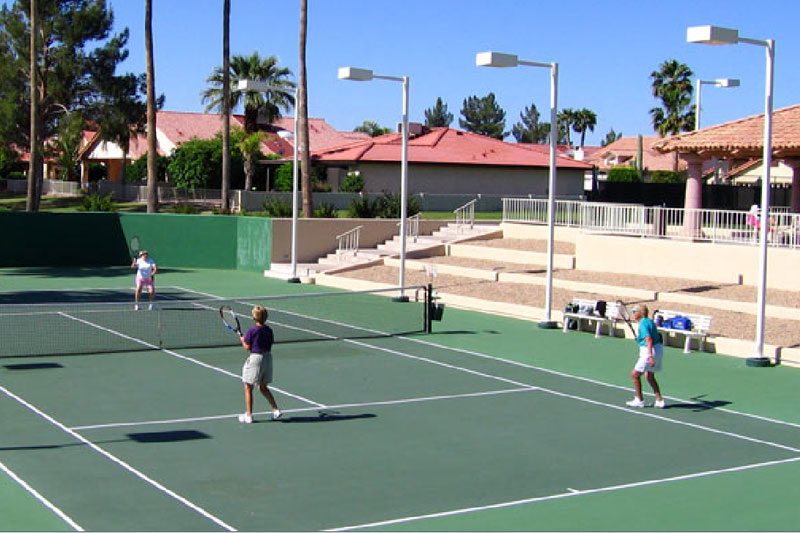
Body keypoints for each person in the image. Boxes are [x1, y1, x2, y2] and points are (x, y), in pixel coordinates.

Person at [238, 306, 282, 424]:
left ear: (253, 317)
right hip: (268, 358)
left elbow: (247, 347)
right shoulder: (269, 330)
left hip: (256, 359)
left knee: (248, 386)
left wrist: (242, 340)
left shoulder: (252, 331)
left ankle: (249, 415)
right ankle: (275, 410)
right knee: (263, 387)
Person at [625, 304, 666, 408]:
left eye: (634, 311)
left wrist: (650, 356)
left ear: (640, 313)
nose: (632, 313)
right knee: (649, 376)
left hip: (649, 351)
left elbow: (649, 339)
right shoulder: (649, 321)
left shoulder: (643, 324)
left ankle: (639, 399)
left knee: (634, 375)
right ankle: (659, 400)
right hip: (658, 349)